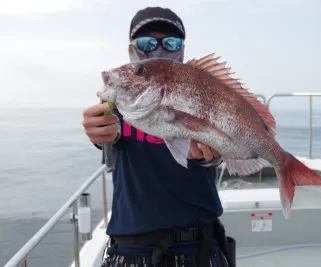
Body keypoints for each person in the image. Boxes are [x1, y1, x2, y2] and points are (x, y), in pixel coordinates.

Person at [82, 6, 235, 267]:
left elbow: (223, 146)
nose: (159, 49)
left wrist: (210, 157)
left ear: (182, 48)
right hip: (131, 249)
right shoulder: (121, 102)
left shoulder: (204, 91)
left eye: (171, 42)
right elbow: (109, 136)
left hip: (199, 245)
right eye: (147, 42)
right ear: (132, 47)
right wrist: (98, 131)